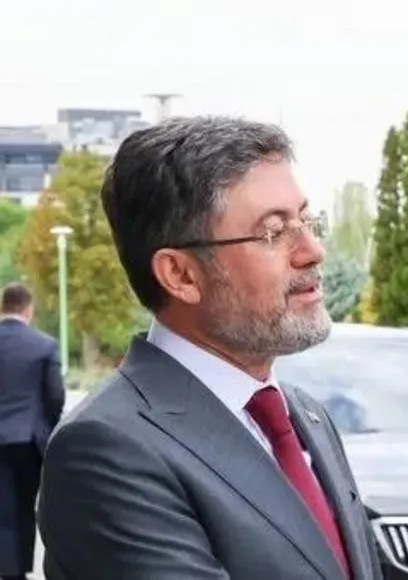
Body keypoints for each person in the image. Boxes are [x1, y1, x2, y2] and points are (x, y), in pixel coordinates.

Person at [37, 116, 382, 580]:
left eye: (305, 220)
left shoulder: (304, 415)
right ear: (180, 275)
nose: (312, 250)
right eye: (273, 231)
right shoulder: (108, 451)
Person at [0, 283, 63, 580]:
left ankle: (7, 569)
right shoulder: (43, 345)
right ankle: (17, 570)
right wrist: (46, 428)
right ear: (28, 309)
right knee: (24, 507)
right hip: (27, 440)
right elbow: (55, 395)